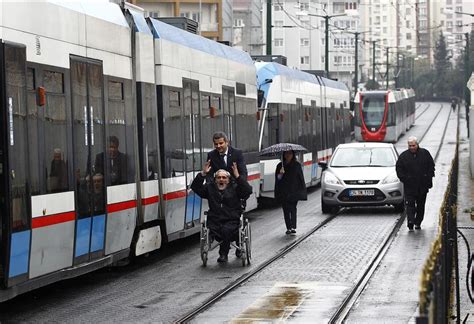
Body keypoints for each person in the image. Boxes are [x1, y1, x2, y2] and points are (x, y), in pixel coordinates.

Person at [191, 161, 252, 263]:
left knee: (226, 230)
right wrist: (203, 174)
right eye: (219, 178)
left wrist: (237, 176)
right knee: (217, 229)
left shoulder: (235, 188)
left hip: (231, 220)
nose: (221, 180)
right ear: (215, 180)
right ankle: (222, 249)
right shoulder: (210, 188)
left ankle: (223, 254)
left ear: (228, 180)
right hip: (215, 220)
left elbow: (248, 190)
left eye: (224, 178)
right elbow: (195, 187)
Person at [396, 136, 435, 231]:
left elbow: (431, 166)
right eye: (410, 146)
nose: (412, 147)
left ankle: (418, 222)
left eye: (413, 145)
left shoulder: (425, 154)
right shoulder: (403, 156)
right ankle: (411, 221)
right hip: (410, 186)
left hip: (422, 186)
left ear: (417, 144)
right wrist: (405, 179)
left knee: (421, 205)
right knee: (410, 204)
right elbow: (399, 169)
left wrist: (428, 179)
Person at [274, 150, 307, 235]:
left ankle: (293, 226)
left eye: (290, 154)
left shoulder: (297, 165)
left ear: (293, 155)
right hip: (284, 191)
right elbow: (278, 179)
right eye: (286, 154)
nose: (288, 155)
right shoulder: (280, 166)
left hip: (294, 191)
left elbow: (300, 178)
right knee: (285, 209)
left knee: (292, 208)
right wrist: (280, 174)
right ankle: (288, 227)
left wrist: (302, 191)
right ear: (283, 155)